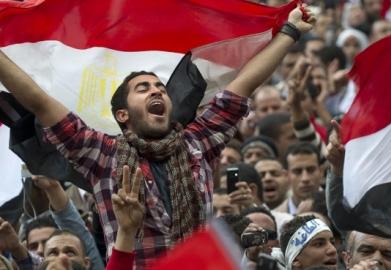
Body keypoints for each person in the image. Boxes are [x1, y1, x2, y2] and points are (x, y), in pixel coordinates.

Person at [0, 6, 315, 268]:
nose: (156, 91)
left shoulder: (199, 143)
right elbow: (39, 101)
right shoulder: (101, 155)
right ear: (122, 115)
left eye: (160, 88)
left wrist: (290, 32)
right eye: (143, 88)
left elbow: (243, 85)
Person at [276, 142, 326, 215]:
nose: (305, 178)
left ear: (321, 171)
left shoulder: (337, 209)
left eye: (311, 170)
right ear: (286, 176)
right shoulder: (276, 218)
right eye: (297, 171)